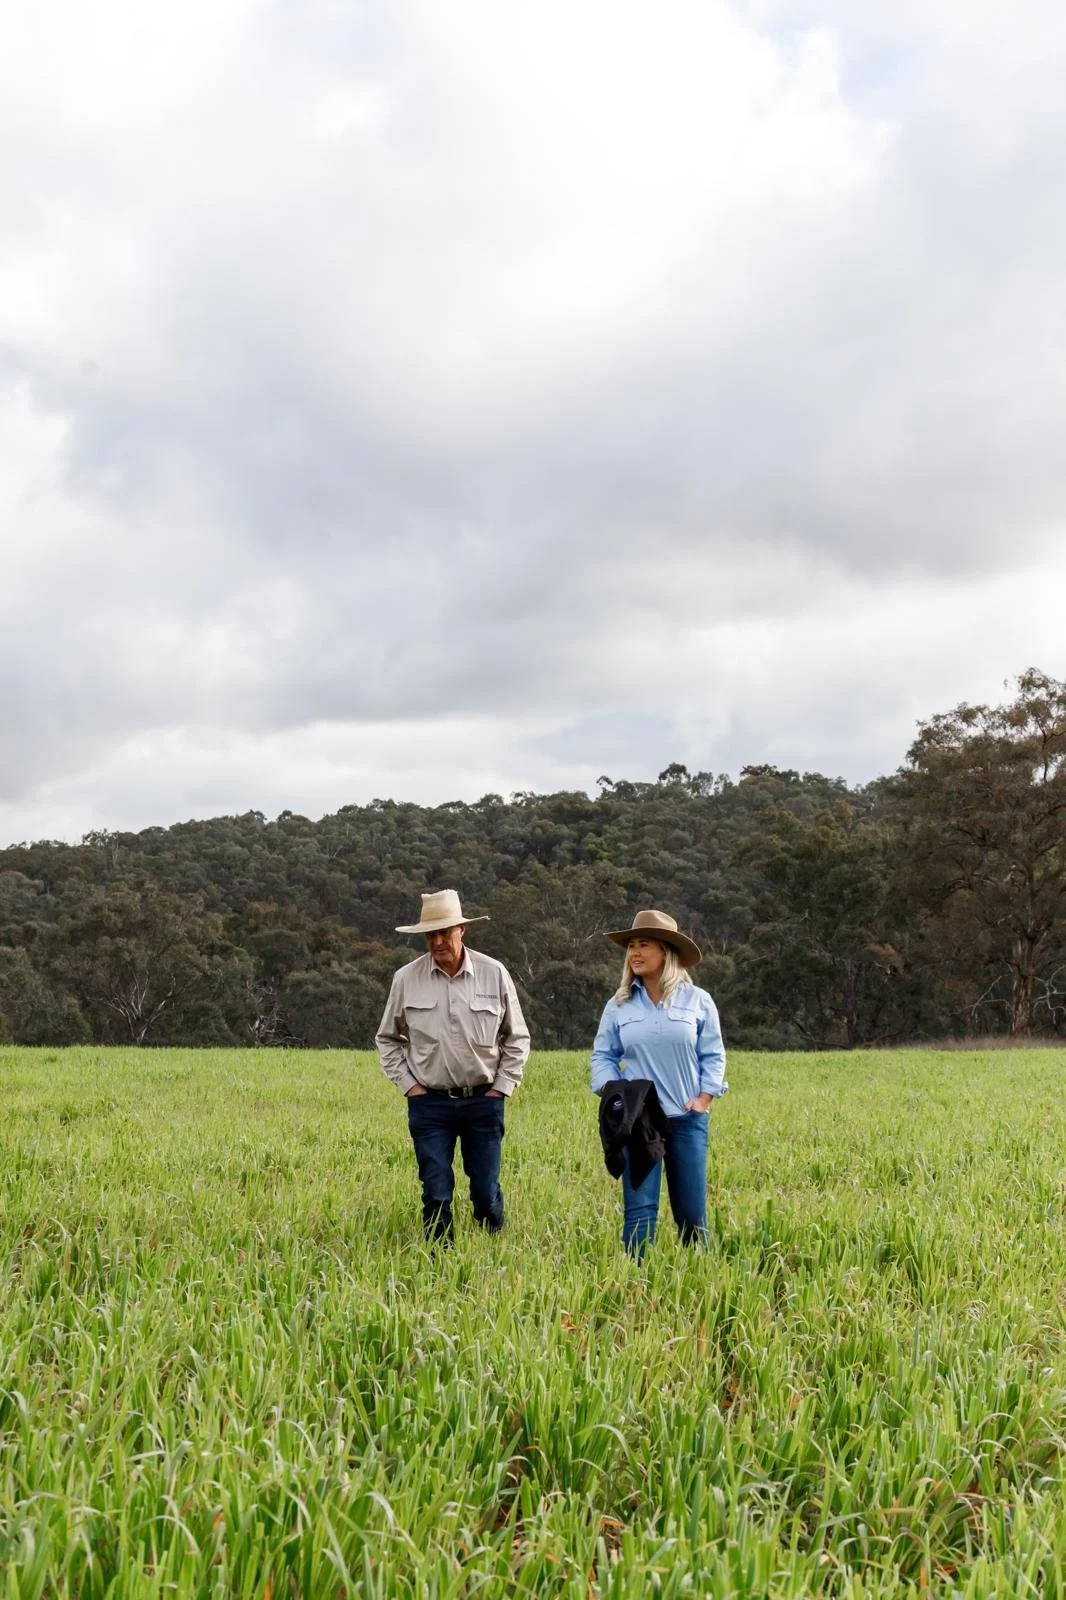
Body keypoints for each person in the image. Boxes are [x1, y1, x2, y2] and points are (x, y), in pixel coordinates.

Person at [376, 889, 530, 1242]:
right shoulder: (406, 979)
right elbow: (387, 1039)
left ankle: (493, 1246)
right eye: (431, 934)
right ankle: (437, 1265)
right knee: (436, 1193)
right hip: (429, 1103)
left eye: (445, 932)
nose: (438, 941)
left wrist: (500, 1088)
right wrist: (410, 1087)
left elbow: (517, 1037)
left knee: (485, 1192)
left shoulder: (494, 973)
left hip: (483, 1100)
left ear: (462, 930)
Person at [590, 908, 727, 1256]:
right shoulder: (618, 1005)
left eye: (643, 945)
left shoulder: (698, 1001)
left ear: (665, 951)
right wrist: (615, 1095)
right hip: (640, 1123)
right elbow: (602, 1056)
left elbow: (713, 1054)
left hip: (686, 1120)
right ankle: (636, 1286)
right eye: (631, 945)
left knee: (692, 1214)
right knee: (639, 1213)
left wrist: (704, 1099)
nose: (634, 952)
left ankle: (699, 1283)